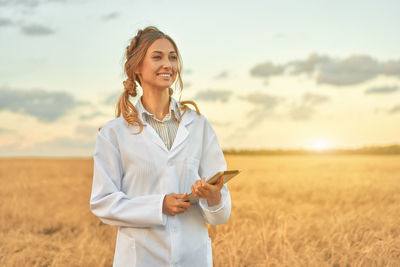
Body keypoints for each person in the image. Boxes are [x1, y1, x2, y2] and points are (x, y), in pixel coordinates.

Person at [89, 26, 231, 267]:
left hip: (192, 256)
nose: (168, 64)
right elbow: (102, 202)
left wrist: (214, 196)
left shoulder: (198, 125)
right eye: (157, 56)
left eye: (173, 57)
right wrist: (159, 206)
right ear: (136, 67)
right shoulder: (114, 133)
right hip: (140, 257)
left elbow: (220, 215)